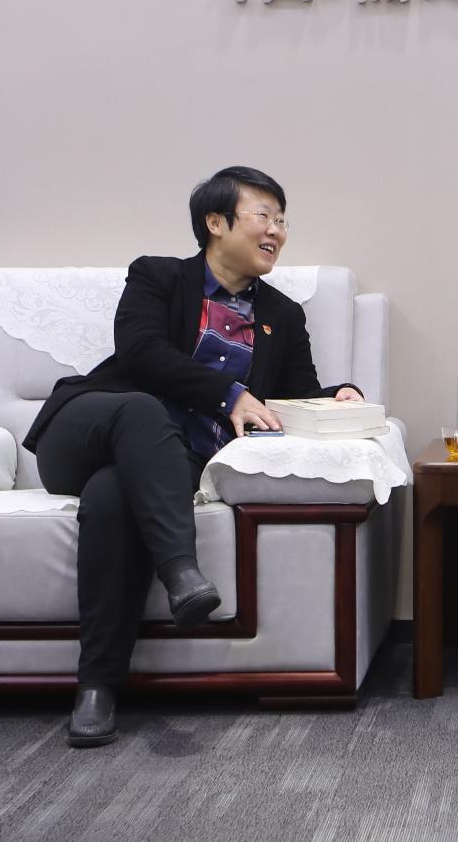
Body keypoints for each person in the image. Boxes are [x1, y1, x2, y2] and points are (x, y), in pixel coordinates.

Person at [22, 166, 362, 747]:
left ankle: (97, 688)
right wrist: (228, 395)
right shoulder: (158, 277)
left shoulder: (283, 315)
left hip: (167, 464)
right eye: (263, 216)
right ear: (215, 222)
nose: (277, 231)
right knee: (141, 411)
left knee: (112, 498)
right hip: (89, 428)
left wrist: (337, 396)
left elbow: (291, 398)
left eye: (283, 221)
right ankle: (182, 571)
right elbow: (141, 352)